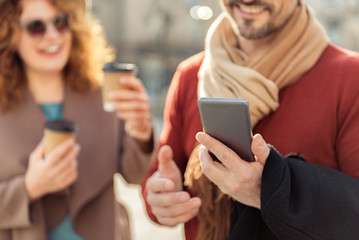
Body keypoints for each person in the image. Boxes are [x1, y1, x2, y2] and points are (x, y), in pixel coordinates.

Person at [142, 0, 359, 239]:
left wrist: (271, 190)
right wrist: (161, 199)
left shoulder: (350, 78)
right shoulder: (190, 74)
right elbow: (159, 178)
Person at [0, 0, 155, 239]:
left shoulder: (104, 93)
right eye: (36, 27)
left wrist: (141, 130)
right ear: (9, 33)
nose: (52, 36)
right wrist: (29, 188)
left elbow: (135, 175)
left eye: (61, 22)